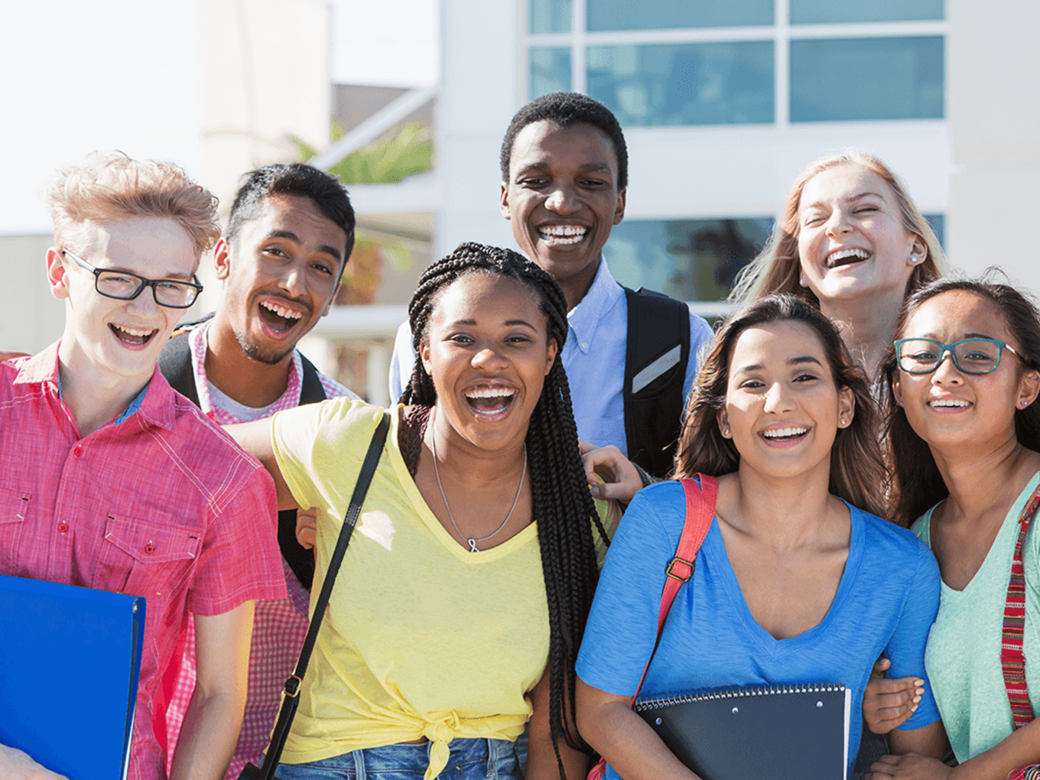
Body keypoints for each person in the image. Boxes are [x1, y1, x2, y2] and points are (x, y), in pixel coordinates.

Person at [229, 242, 619, 780]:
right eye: (462, 338)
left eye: (516, 339)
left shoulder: (578, 509)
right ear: (425, 351)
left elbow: (557, 722)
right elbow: (185, 474)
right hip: (333, 764)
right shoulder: (348, 445)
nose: (489, 358)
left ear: (550, 354)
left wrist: (643, 486)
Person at [574, 294, 945, 780]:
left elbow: (919, 752)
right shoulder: (663, 519)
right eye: (753, 383)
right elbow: (599, 712)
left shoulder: (903, 567)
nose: (778, 402)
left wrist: (884, 710)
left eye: (804, 377)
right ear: (725, 418)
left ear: (845, 406)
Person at [0, 153, 286, 780]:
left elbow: (219, 694)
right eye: (118, 278)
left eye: (170, 285)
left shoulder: (224, 482)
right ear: (59, 273)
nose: (145, 308)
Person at [156, 163, 360, 779]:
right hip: (131, 747)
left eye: (322, 267)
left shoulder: (342, 432)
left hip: (283, 756)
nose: (295, 282)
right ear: (221, 257)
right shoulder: (138, 392)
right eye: (276, 252)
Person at [389, 92, 714, 477]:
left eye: (591, 182)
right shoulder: (434, 333)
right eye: (537, 180)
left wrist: (644, 488)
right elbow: (404, 476)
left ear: (620, 202)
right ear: (505, 198)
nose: (562, 202)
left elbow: (716, 495)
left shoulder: (680, 340)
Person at [861, 275, 1040, 779]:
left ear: (1027, 387)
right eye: (922, 356)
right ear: (898, 388)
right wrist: (887, 703)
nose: (946, 372)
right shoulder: (914, 540)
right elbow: (932, 741)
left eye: (978, 355)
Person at [731, 153, 945, 380]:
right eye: (816, 218)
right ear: (801, 268)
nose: (837, 226)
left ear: (915, 249)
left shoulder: (961, 370)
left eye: (865, 209)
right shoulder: (753, 383)